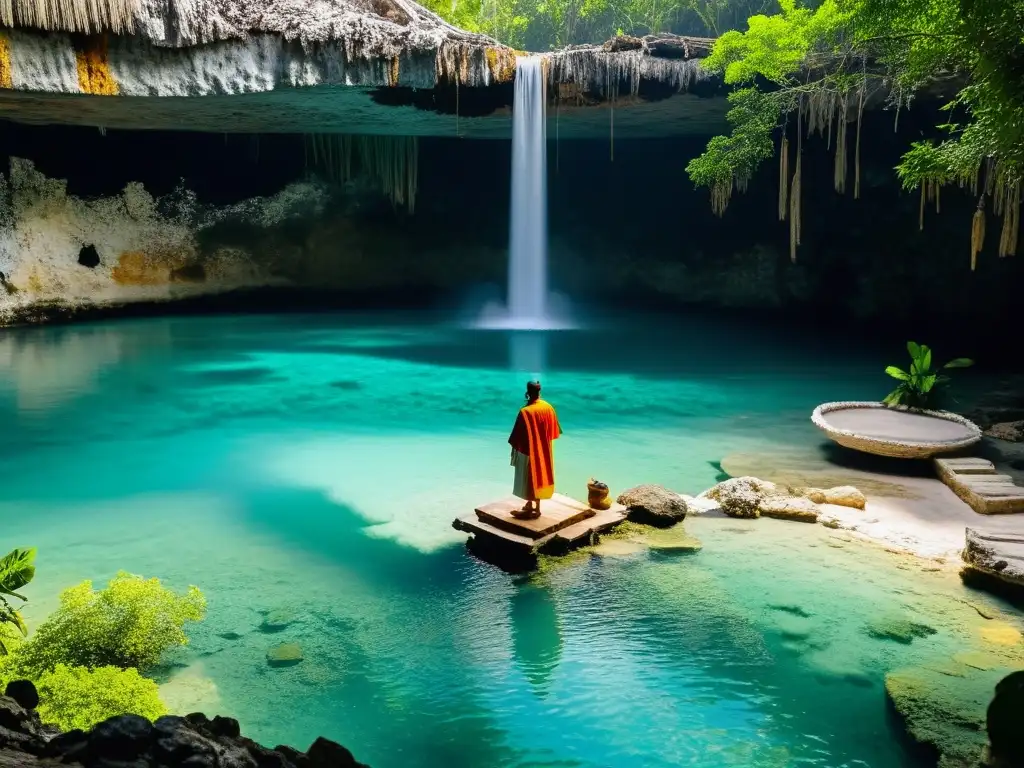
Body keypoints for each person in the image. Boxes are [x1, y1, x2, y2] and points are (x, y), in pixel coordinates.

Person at [508, 380, 562, 519]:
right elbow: (555, 431)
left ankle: (532, 509)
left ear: (527, 392)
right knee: (540, 476)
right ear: (539, 391)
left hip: (528, 450)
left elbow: (517, 436)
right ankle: (533, 506)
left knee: (529, 478)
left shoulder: (525, 412)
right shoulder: (548, 407)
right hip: (544, 449)